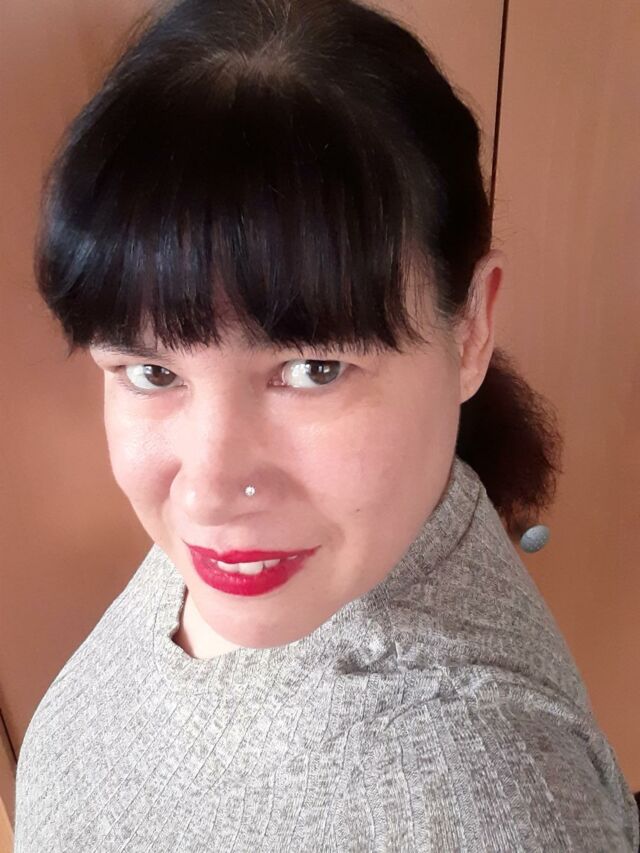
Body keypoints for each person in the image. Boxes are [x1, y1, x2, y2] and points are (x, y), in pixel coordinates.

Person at [13, 0, 638, 850]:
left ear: (470, 330)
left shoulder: (484, 806)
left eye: (313, 368)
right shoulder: (274, 549)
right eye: (153, 372)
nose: (206, 490)